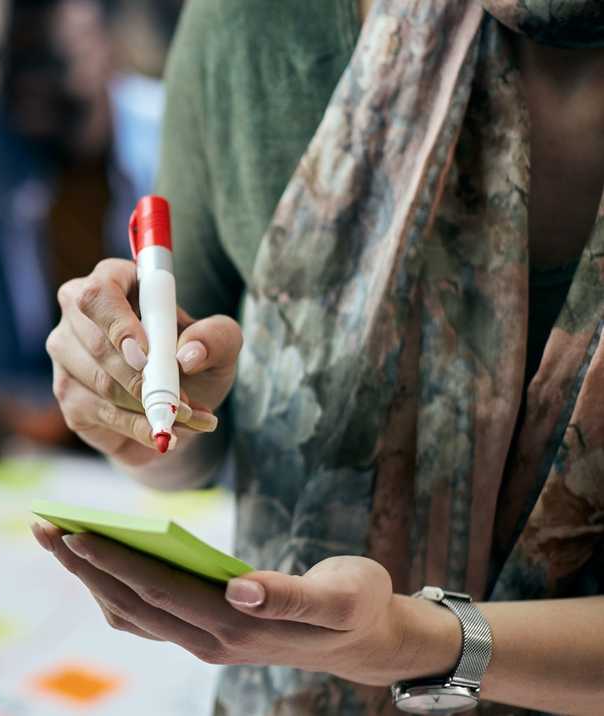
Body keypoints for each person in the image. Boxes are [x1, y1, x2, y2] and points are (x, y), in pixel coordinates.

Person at [36, 0, 604, 713]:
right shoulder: (254, 31)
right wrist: (127, 413)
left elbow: (405, 641)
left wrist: (417, 642)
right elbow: (197, 444)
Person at [0, 0, 174, 459]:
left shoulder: (173, 139)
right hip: (18, 438)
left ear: (110, 52)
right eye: (14, 62)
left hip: (153, 427)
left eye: (53, 62)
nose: (30, 87)